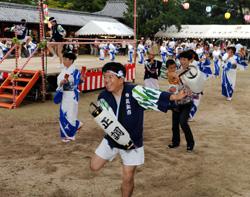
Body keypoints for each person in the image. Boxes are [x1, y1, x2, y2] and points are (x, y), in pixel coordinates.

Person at [90, 62, 187, 197]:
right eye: (104, 77)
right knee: (94, 166)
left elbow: (154, 95)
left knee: (128, 176)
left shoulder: (135, 91)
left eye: (110, 77)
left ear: (121, 78)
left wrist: (175, 97)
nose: (106, 80)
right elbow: (106, 120)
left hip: (132, 142)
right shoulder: (103, 97)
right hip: (112, 138)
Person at [168, 51, 195, 152]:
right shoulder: (177, 71)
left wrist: (182, 81)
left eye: (184, 59)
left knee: (183, 122)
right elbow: (172, 85)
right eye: (181, 59)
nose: (182, 61)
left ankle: (190, 143)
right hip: (176, 102)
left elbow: (195, 86)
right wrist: (171, 89)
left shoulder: (193, 72)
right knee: (174, 124)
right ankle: (175, 142)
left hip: (187, 101)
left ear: (189, 60)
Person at [55, 52, 83, 142]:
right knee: (64, 113)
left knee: (70, 114)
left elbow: (76, 82)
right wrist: (61, 83)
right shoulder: (65, 70)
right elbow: (61, 82)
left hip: (71, 96)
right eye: (63, 59)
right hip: (65, 95)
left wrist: (66, 83)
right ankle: (77, 125)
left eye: (65, 59)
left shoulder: (74, 71)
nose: (63, 61)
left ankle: (70, 135)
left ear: (71, 60)